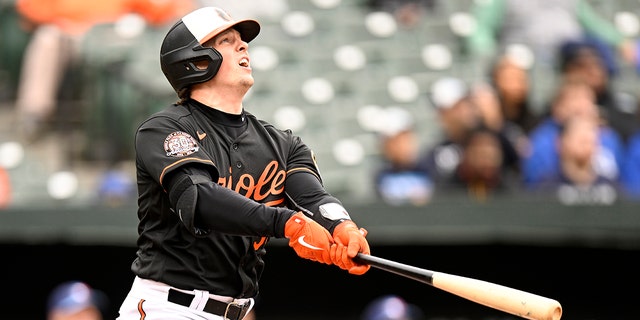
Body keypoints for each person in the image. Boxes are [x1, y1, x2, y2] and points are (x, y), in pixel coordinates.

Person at [116, 6, 371, 320]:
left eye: (241, 40)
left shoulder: (282, 144)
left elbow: (313, 199)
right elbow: (198, 199)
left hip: (236, 312)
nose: (243, 45)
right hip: (168, 307)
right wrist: (287, 223)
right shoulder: (164, 129)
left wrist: (341, 226)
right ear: (193, 61)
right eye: (226, 40)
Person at [13, 0, 194, 142]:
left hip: (114, 36)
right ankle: (35, 114)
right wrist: (63, 19)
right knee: (47, 38)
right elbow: (29, 9)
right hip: (73, 34)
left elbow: (160, 10)